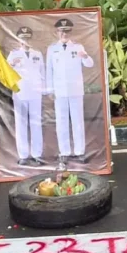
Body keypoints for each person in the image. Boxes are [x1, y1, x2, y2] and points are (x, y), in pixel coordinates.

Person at [46, 18, 94, 163]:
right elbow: (49, 71)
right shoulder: (52, 49)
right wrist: (50, 90)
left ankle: (80, 152)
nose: (64, 34)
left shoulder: (78, 47)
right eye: (61, 31)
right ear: (57, 32)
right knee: (61, 122)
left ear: (70, 32)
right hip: (59, 91)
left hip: (75, 90)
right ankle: (64, 152)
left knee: (77, 121)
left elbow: (90, 64)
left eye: (66, 31)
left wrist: (85, 56)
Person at [7, 26, 46, 166]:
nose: (25, 41)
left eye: (28, 38)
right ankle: (23, 155)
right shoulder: (13, 54)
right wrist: (12, 64)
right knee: (21, 124)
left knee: (36, 124)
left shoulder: (37, 54)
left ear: (31, 39)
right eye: (23, 38)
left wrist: (44, 89)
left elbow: (43, 73)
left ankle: (37, 155)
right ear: (18, 40)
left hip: (35, 92)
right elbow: (6, 71)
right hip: (20, 92)